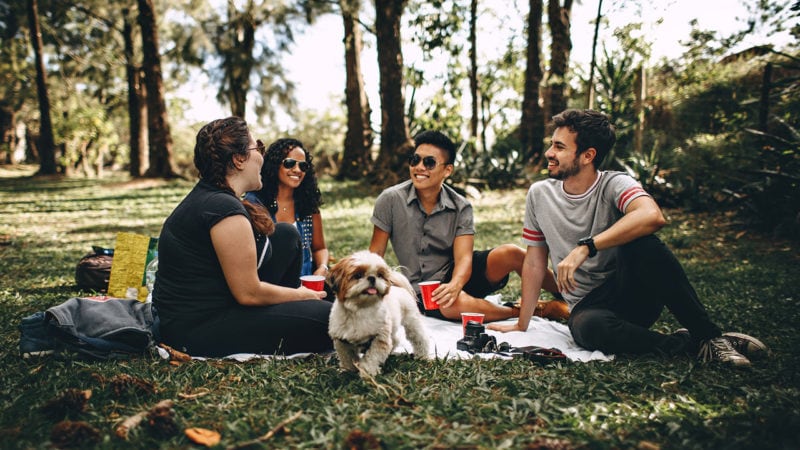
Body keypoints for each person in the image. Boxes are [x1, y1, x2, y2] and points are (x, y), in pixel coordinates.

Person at [488, 109, 768, 367]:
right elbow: (535, 262)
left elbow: (652, 216)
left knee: (644, 244)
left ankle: (710, 336)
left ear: (588, 155)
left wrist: (587, 247)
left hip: (632, 293)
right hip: (589, 308)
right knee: (588, 329)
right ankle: (692, 344)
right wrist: (521, 324)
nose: (549, 152)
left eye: (559, 147)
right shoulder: (540, 194)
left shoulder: (614, 183)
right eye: (552, 144)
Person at [153, 117, 332, 357]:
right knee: (332, 320)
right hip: (198, 328)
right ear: (238, 159)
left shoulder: (216, 197)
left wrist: (301, 298)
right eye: (257, 147)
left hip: (220, 304)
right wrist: (302, 295)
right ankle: (300, 310)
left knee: (286, 235)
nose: (262, 155)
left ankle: (296, 310)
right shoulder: (222, 209)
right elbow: (248, 293)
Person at [369, 130, 558, 322]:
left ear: (447, 170)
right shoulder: (390, 200)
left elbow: (464, 258)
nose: (419, 167)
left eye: (429, 162)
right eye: (415, 160)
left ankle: (568, 295)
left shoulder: (461, 206)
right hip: (422, 289)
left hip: (459, 275)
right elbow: (375, 255)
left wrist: (455, 284)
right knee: (449, 304)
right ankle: (531, 311)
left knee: (511, 253)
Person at [246, 138, 330, 278]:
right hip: (270, 287)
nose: (297, 170)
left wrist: (322, 267)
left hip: (306, 286)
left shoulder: (307, 204)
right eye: (289, 163)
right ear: (274, 165)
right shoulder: (255, 203)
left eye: (303, 166)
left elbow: (319, 248)